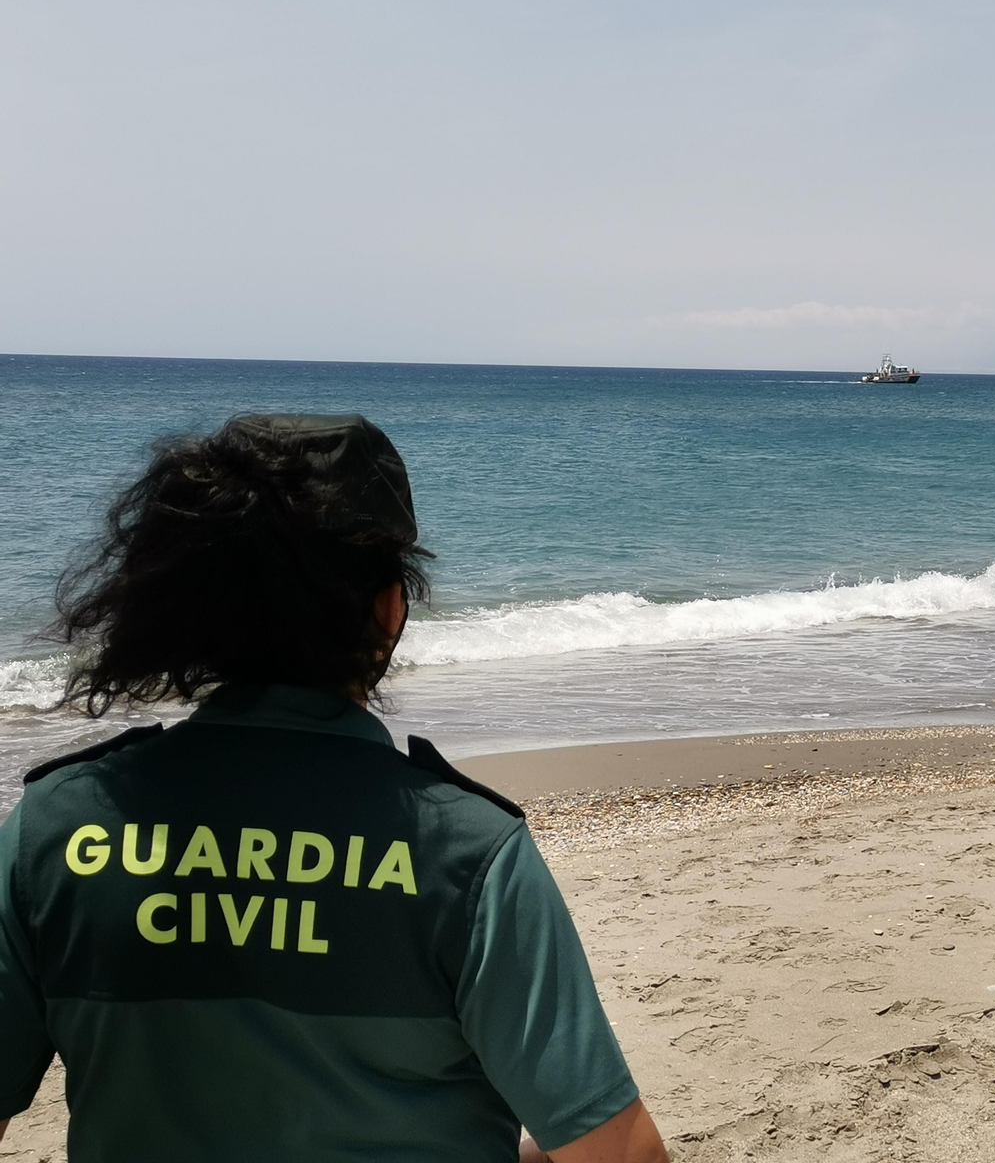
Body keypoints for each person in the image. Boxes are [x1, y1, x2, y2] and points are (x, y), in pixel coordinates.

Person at [0, 414, 669, 1163]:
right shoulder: (465, 850)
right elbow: (619, 1155)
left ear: (184, 607)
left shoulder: (55, 828)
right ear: (389, 610)